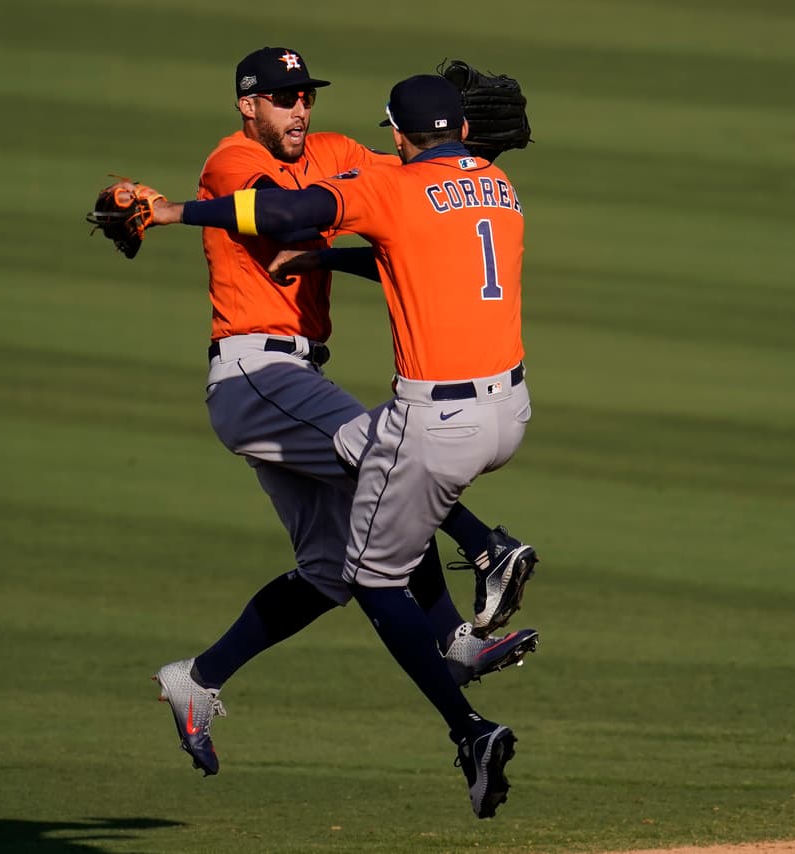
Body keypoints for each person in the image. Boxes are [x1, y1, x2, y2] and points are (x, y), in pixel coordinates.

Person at [124, 71, 534, 819]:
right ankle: (480, 562)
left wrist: (449, 164)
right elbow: (282, 214)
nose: (298, 109)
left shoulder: (345, 153)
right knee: (379, 448)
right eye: (283, 99)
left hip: (297, 374)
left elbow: (411, 211)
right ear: (249, 106)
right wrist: (171, 211)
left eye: (306, 95)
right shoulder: (231, 162)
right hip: (257, 374)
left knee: (329, 573)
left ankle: (197, 678)